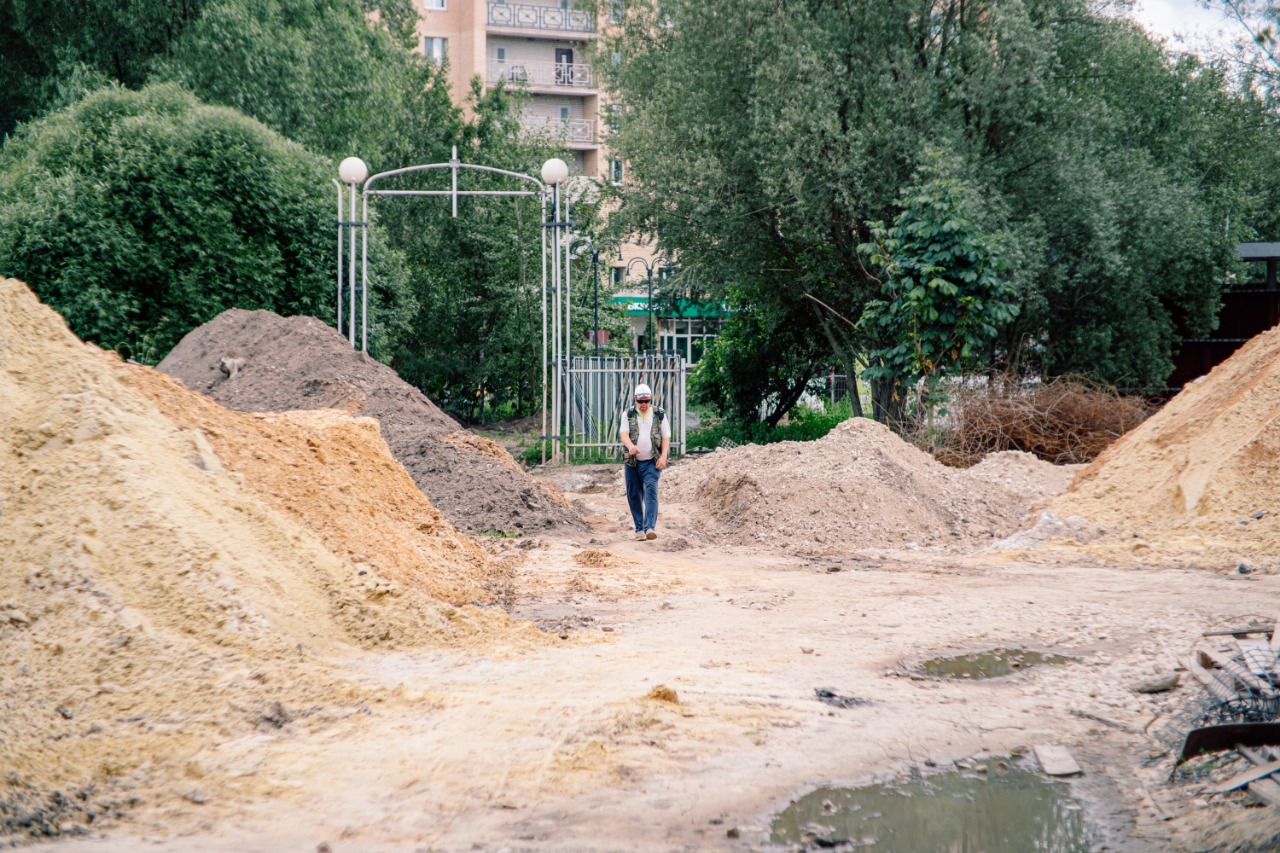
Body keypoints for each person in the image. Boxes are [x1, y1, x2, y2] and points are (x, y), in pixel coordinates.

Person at [619, 382, 670, 541]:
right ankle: (639, 529)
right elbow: (624, 434)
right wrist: (630, 446)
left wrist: (663, 456)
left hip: (651, 462)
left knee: (651, 493)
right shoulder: (628, 414)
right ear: (635, 399)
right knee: (634, 494)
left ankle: (650, 528)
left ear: (650, 400)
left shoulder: (659, 414)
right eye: (640, 401)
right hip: (632, 462)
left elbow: (665, 436)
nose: (643, 404)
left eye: (646, 401)